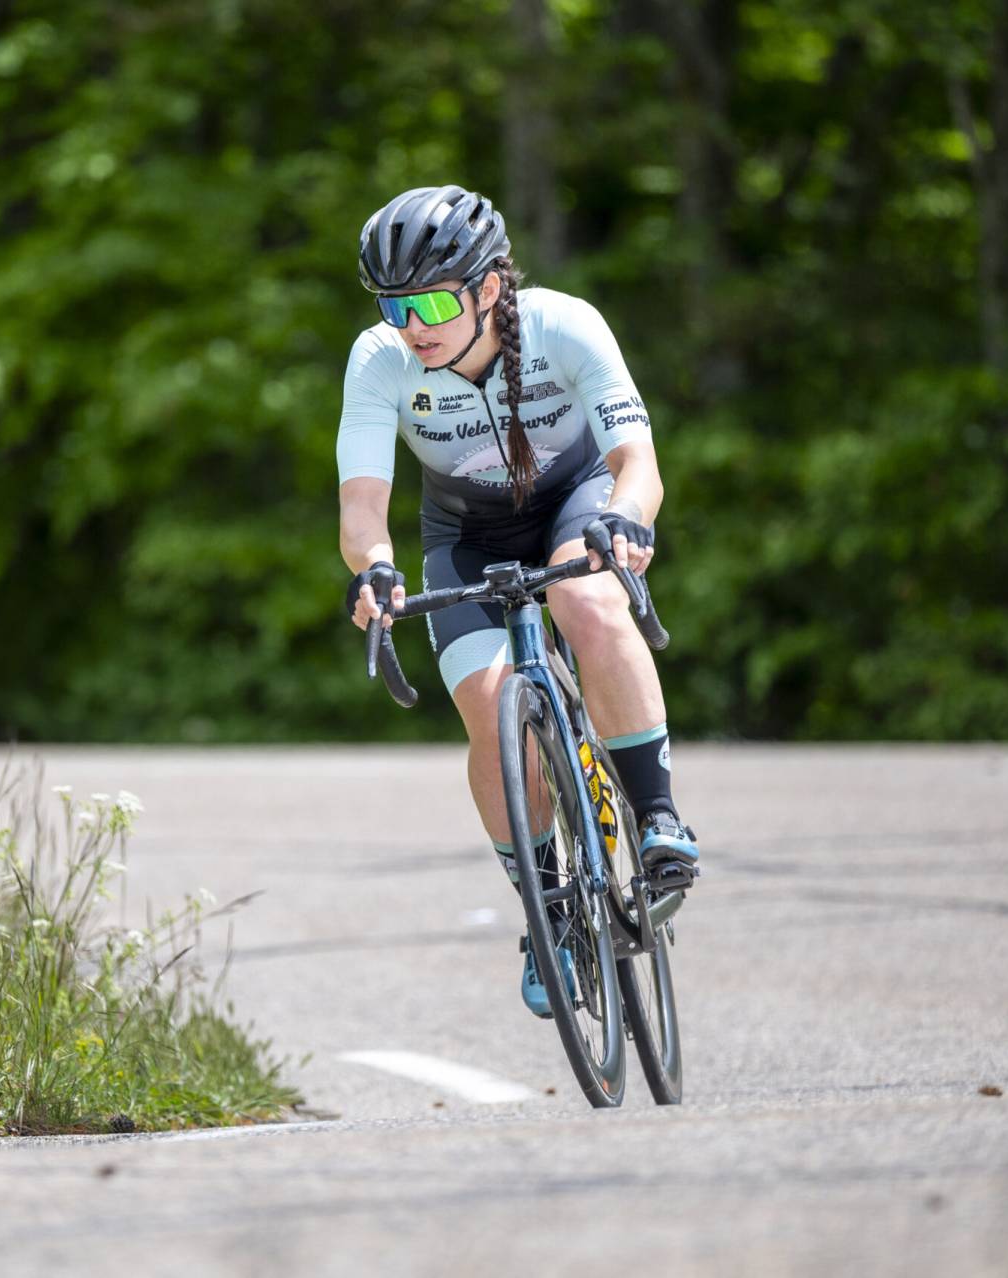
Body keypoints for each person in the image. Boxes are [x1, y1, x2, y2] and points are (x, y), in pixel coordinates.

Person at [336, 184, 701, 1019]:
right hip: (463, 534)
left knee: (588, 605)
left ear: (488, 288)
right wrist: (377, 568)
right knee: (490, 710)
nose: (411, 325)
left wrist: (627, 522)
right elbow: (362, 505)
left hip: (578, 503)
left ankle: (656, 818)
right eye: (394, 305)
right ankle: (545, 914)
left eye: (430, 301)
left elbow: (636, 462)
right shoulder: (380, 358)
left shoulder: (564, 323)